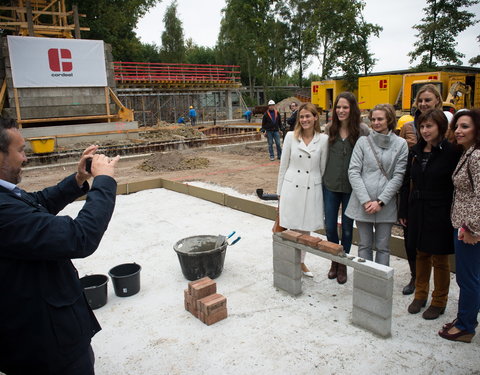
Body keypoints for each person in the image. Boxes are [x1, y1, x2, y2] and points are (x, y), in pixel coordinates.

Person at [0, 117, 119, 374]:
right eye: (20, 150)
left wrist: (78, 179)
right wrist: (105, 182)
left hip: (41, 331)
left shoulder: (6, 197)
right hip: (45, 346)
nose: (25, 158)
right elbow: (79, 236)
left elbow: (36, 203)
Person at [399, 109, 462, 320]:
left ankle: (439, 301)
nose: (425, 131)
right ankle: (420, 295)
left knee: (439, 258)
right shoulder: (416, 151)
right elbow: (407, 181)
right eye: (422, 126)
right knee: (421, 253)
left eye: (429, 126)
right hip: (418, 208)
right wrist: (404, 210)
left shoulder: (452, 152)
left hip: (440, 209)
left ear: (441, 127)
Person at [346, 103, 408, 266]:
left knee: (383, 247)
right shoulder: (363, 142)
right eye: (373, 119)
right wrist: (366, 201)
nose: (376, 122)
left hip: (385, 204)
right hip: (363, 202)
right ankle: (365, 281)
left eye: (380, 119)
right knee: (364, 245)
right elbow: (353, 171)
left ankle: (380, 284)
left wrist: (381, 201)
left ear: (389, 120)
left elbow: (398, 176)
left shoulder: (401, 144)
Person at [439, 109, 480, 343]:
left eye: (465, 126)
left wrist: (472, 229)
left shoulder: (476, 157)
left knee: (467, 278)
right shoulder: (469, 152)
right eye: (457, 126)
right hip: (465, 224)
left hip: (469, 229)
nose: (458, 131)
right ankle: (466, 317)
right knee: (471, 276)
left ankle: (465, 327)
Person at [398, 83, 443, 295]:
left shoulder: (447, 128)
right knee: (412, 243)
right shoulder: (409, 126)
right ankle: (416, 278)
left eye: (428, 100)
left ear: (437, 102)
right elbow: (406, 168)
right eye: (421, 100)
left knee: (437, 249)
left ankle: (437, 292)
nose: (424, 104)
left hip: (437, 196)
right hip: (414, 192)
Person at [322, 92, 370, 283]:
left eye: (345, 107)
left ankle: (343, 264)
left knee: (348, 229)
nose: (341, 111)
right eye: (338, 107)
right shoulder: (329, 129)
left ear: (352, 109)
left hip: (352, 188)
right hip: (331, 185)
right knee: (330, 226)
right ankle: (334, 260)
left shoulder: (362, 131)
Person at [277, 103, 328, 277]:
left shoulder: (323, 139)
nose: (305, 120)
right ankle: (289, 262)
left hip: (311, 188)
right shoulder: (291, 136)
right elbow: (283, 166)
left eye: (308, 116)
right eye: (302, 116)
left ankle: (301, 263)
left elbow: (322, 168)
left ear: (315, 118)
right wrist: (280, 192)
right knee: (290, 227)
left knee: (305, 229)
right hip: (292, 187)